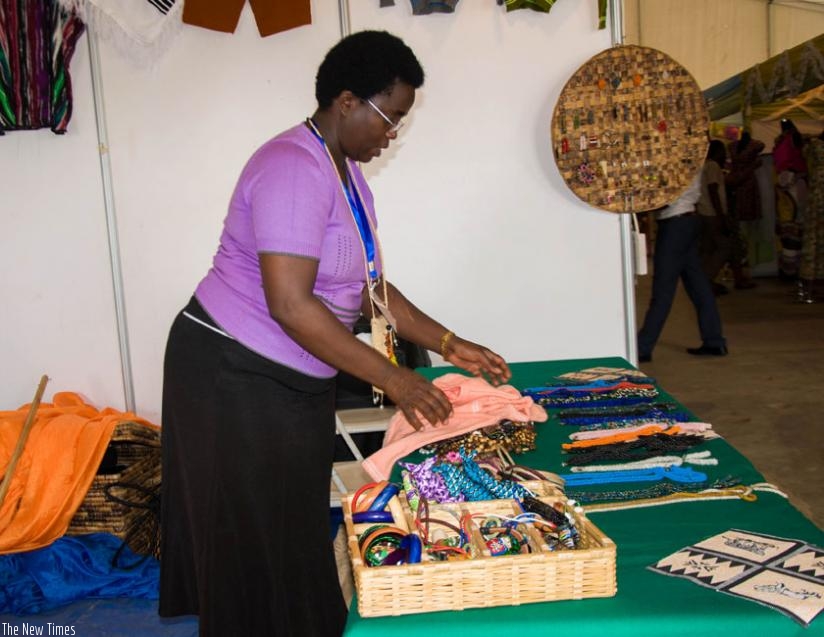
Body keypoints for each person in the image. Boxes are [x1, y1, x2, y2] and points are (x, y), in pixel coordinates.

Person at [158, 30, 511, 637]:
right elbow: (291, 306)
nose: (392, 134)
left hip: (286, 376)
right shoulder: (293, 167)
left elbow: (368, 288)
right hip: (232, 372)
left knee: (292, 533)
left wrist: (450, 343)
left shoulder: (345, 174)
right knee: (254, 544)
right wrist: (396, 379)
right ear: (347, 102)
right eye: (390, 117)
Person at [637, 171, 728, 362]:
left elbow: (664, 199)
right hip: (689, 219)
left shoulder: (675, 162)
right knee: (698, 286)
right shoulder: (692, 159)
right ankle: (714, 340)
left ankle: (642, 347)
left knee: (663, 289)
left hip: (675, 223)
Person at [726, 131, 765, 289]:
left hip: (740, 184)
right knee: (743, 227)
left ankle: (743, 263)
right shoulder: (754, 146)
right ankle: (744, 263)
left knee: (742, 224)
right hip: (745, 182)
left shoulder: (733, 147)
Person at [697, 139, 736, 295]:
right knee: (724, 247)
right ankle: (707, 278)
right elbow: (713, 190)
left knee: (707, 249)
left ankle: (703, 280)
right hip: (712, 213)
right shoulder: (713, 166)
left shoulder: (703, 166)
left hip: (703, 211)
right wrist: (721, 215)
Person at [773, 118, 808, 280]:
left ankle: (787, 268)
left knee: (787, 225)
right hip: (795, 182)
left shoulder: (779, 143)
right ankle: (793, 269)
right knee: (796, 225)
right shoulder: (794, 139)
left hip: (782, 184)